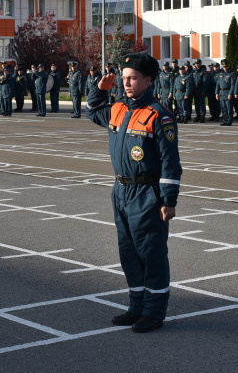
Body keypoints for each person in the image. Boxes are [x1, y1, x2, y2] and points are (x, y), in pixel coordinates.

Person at [85, 51, 181, 333]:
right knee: (128, 252)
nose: (127, 83)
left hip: (147, 193)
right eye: (124, 78)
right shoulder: (118, 109)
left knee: (151, 253)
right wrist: (99, 88)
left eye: (133, 78)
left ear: (148, 80)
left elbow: (170, 161)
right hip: (121, 191)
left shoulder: (158, 116)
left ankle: (154, 311)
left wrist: (169, 200)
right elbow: (93, 110)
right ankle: (136, 306)